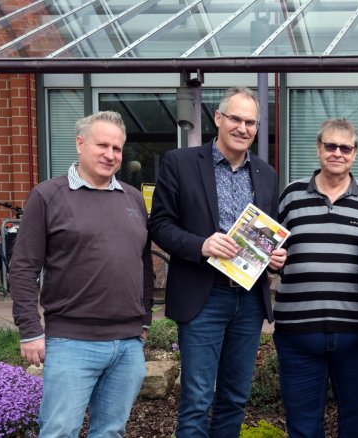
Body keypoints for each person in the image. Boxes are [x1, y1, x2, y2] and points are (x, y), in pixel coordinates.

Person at [148, 86, 287, 437]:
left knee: (235, 397)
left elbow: (266, 233)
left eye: (251, 122)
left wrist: (275, 259)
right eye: (236, 119)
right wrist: (202, 245)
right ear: (219, 118)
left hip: (249, 298)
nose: (243, 128)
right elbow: (160, 225)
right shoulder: (180, 163)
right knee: (196, 398)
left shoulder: (266, 174)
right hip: (203, 296)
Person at [9, 110, 153, 437]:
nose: (110, 154)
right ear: (79, 143)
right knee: (60, 431)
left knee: (111, 431)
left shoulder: (132, 199)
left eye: (117, 148)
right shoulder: (48, 196)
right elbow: (23, 267)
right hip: (71, 342)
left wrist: (144, 321)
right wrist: (30, 329)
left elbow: (142, 264)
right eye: (102, 145)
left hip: (128, 345)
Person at [274, 118, 358, 437]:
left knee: (356, 423)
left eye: (345, 147)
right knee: (303, 425)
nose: (337, 152)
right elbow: (269, 252)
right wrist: (271, 263)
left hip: (357, 335)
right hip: (297, 334)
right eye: (330, 146)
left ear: (355, 153)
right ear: (318, 148)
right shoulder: (291, 196)